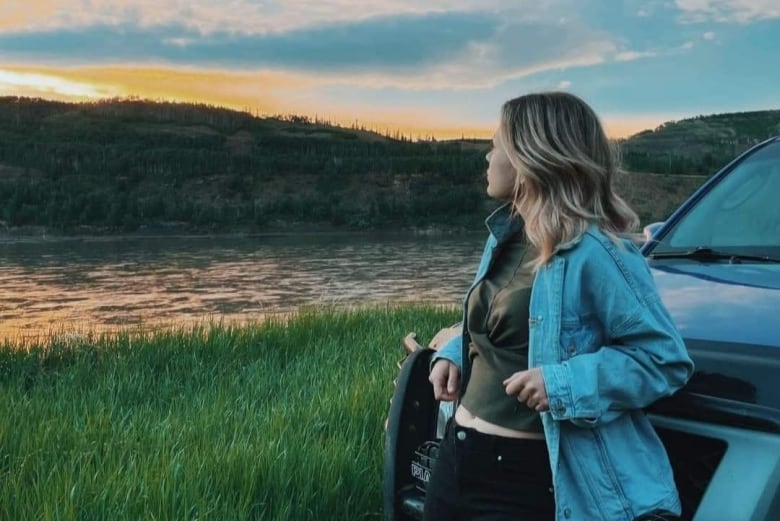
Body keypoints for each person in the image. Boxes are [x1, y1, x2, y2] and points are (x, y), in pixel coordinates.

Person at [424, 92, 694, 521]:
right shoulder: (504, 237)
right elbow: (503, 328)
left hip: (525, 479)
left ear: (532, 156)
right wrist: (455, 354)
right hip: (457, 457)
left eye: (497, 144)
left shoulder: (599, 252)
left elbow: (664, 361)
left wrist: (563, 384)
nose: (487, 155)